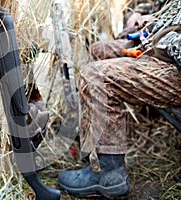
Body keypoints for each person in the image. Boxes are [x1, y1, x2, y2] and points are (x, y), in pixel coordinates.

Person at [58, 0, 181, 198]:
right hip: (161, 46)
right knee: (100, 50)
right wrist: (143, 16)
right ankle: (101, 146)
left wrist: (160, 41)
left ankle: (108, 175)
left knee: (97, 77)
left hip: (175, 66)